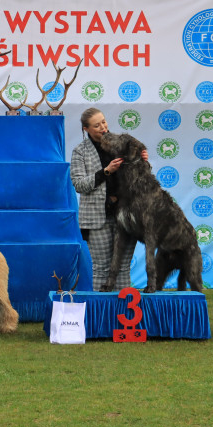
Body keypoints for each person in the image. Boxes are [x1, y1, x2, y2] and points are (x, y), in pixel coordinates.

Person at [70, 107, 148, 291]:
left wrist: (143, 160)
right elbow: (79, 184)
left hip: (127, 215)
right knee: (102, 268)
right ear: (85, 129)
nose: (103, 127)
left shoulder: (123, 144)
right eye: (96, 125)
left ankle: (123, 315)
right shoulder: (80, 151)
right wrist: (106, 171)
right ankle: (102, 314)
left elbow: (141, 175)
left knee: (122, 268)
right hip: (97, 219)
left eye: (103, 122)